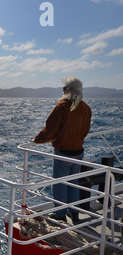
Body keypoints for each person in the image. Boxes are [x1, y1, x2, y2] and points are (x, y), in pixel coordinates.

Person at [32, 77, 92, 223]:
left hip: (64, 153)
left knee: (60, 185)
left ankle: (60, 214)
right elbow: (85, 131)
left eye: (64, 88)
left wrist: (37, 139)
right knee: (73, 184)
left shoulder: (62, 106)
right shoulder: (86, 108)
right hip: (78, 151)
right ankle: (74, 213)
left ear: (69, 91)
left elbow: (50, 130)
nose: (63, 91)